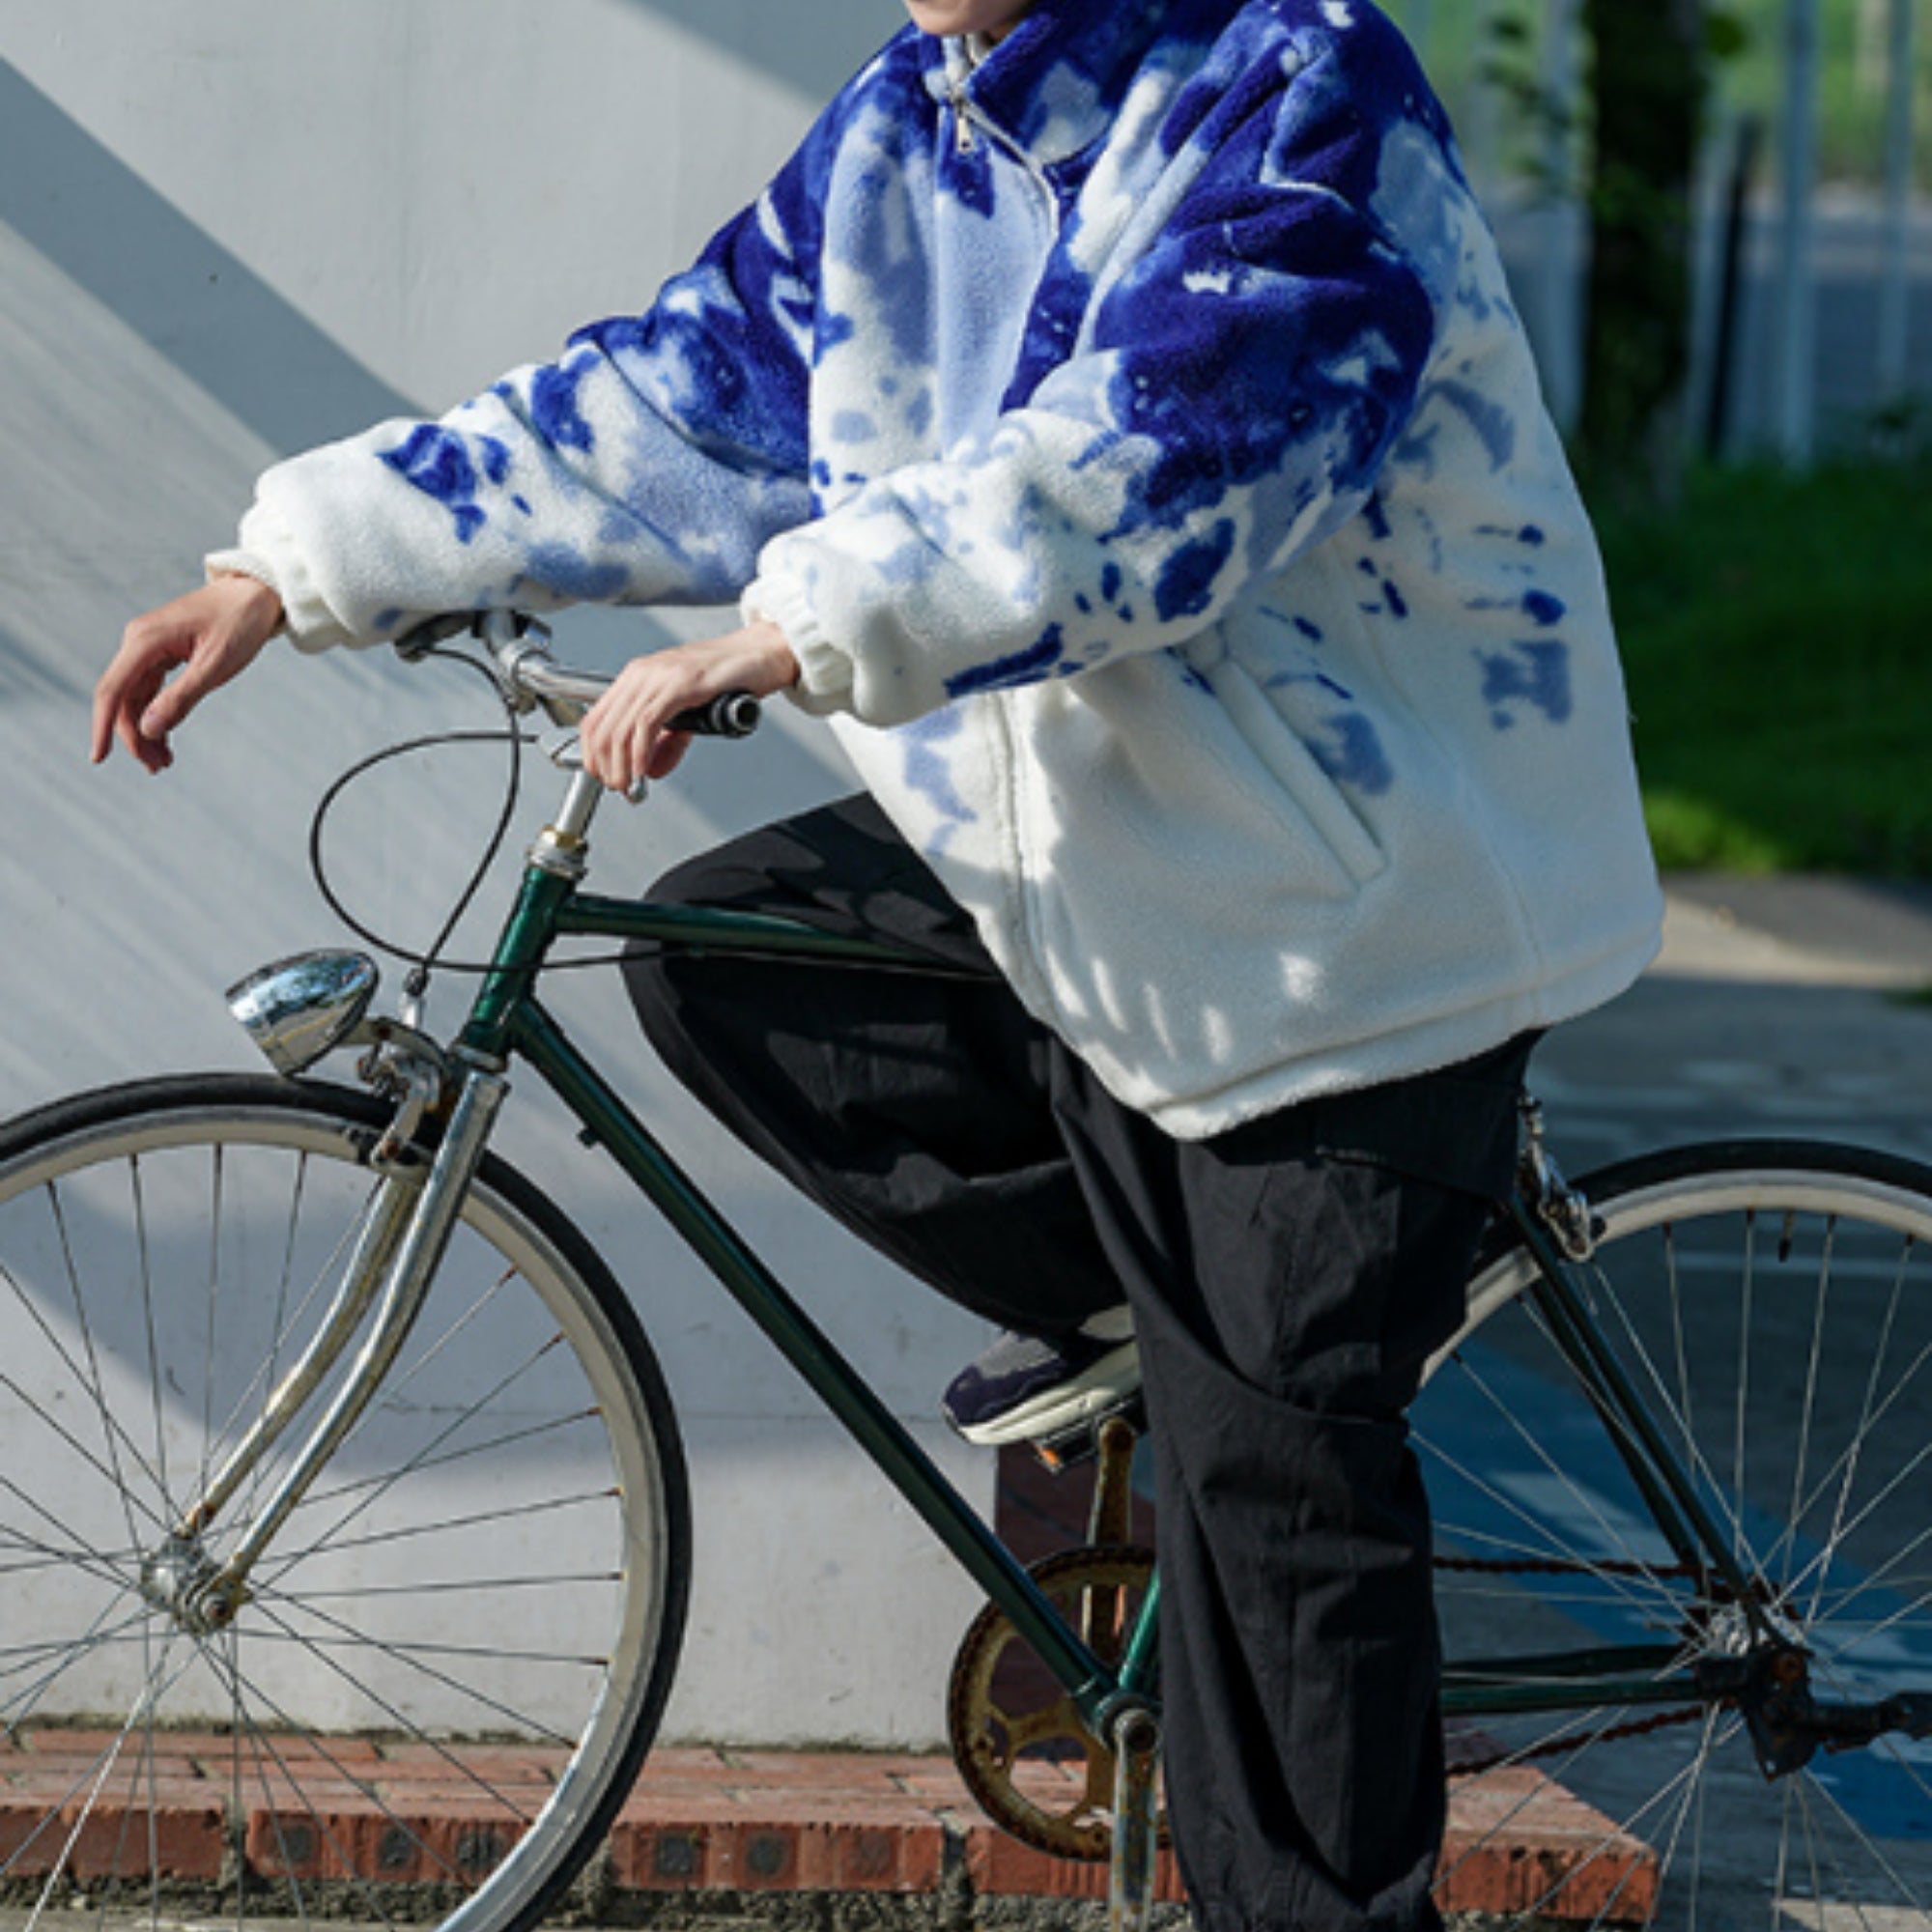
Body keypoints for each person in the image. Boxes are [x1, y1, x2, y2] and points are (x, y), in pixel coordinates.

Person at [93, 2, 1664, 1927]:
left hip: (1350, 911)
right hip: (1100, 871)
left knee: (1273, 1501)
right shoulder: (901, 130)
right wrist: (301, 565)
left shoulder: (1292, 73)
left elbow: (1165, 468)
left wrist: (790, 627)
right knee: (733, 966)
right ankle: (1140, 1316)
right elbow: (674, 404)